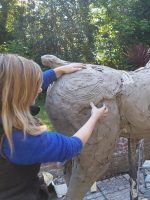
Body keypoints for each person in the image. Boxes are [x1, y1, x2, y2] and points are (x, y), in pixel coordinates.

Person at [0, 54, 108, 200]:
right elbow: (71, 146)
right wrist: (94, 117)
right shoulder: (22, 139)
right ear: (21, 93)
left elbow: (18, 85)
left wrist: (60, 70)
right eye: (35, 86)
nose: (39, 90)